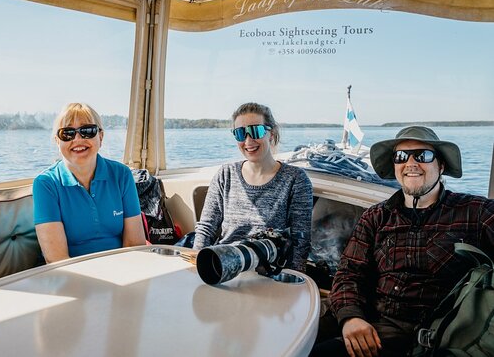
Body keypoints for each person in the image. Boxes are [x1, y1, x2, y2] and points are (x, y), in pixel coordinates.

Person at [311, 126, 494, 357]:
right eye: (401, 157)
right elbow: (349, 273)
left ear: (442, 165)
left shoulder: (475, 212)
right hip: (374, 321)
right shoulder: (376, 217)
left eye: (423, 155)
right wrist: (351, 317)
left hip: (436, 334)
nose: (411, 163)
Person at [193, 102, 313, 271]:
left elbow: (300, 241)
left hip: (268, 271)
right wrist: (198, 268)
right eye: (240, 133)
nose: (248, 141)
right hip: (223, 266)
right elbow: (206, 229)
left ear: (271, 134)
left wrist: (292, 280)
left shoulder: (296, 180)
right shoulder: (226, 174)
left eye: (255, 131)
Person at [33, 102, 146, 263]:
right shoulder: (46, 184)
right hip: (73, 277)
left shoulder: (122, 175)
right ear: (58, 141)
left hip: (122, 268)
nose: (78, 139)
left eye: (87, 131)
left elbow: (134, 244)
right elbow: (57, 260)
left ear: (100, 137)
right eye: (67, 133)